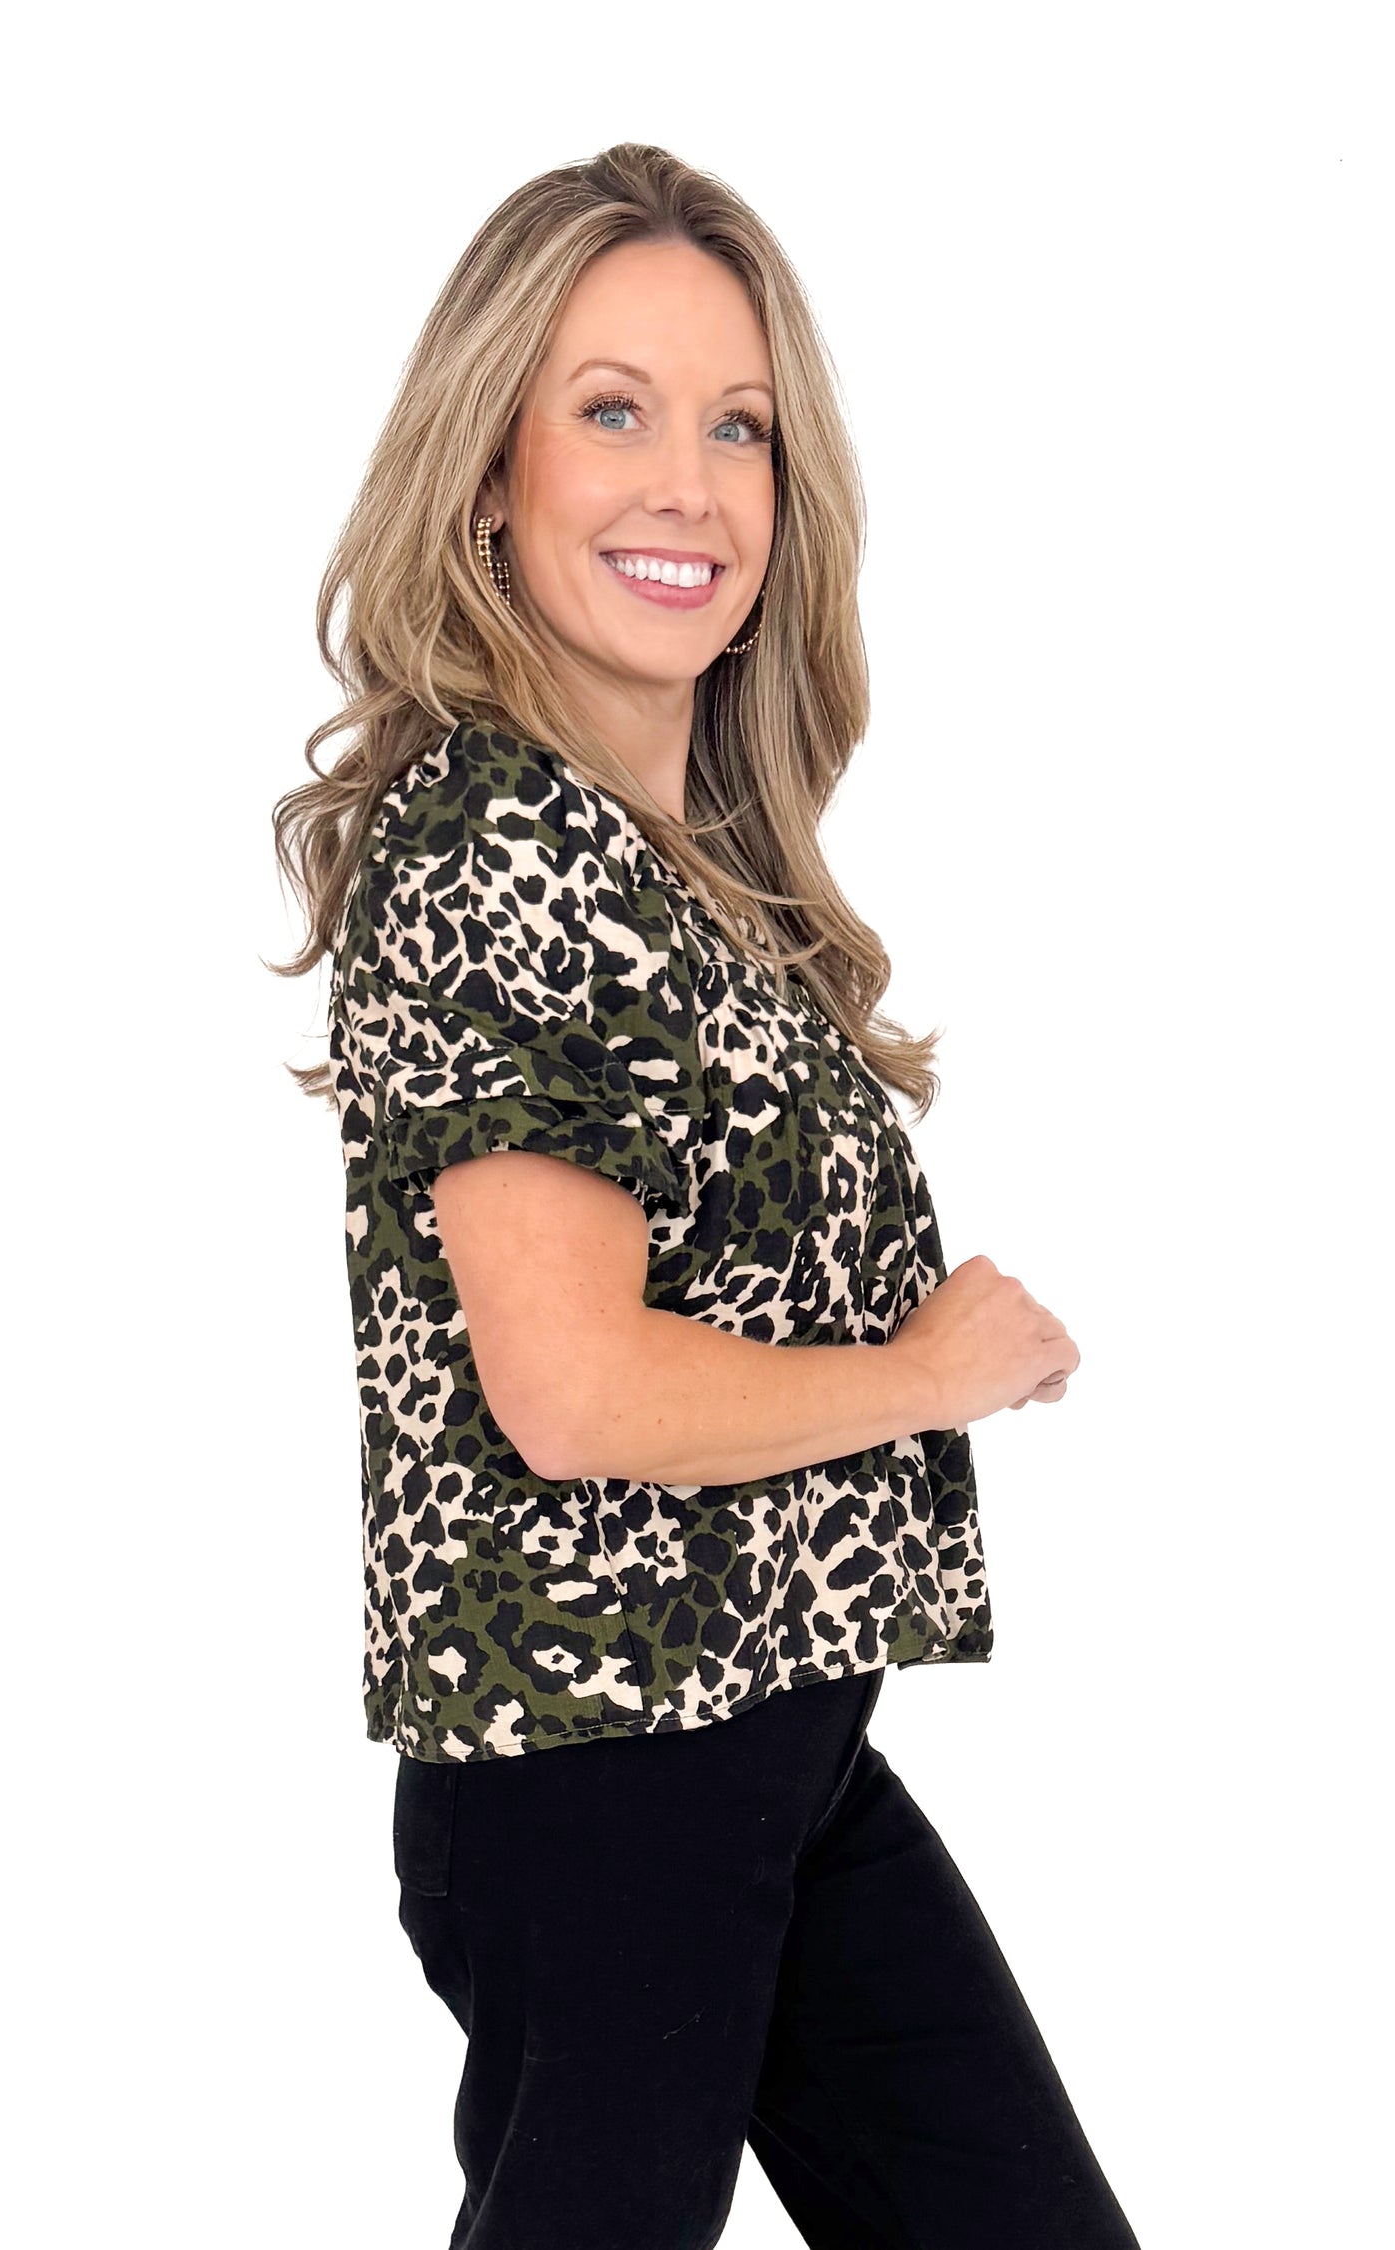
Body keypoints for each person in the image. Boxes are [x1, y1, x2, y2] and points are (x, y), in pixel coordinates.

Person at [273, 141, 1139, 2250]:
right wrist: (919, 1370)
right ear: (489, 472)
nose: (690, 482)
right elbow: (569, 1392)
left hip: (767, 1741)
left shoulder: (677, 876)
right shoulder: (498, 847)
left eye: (738, 425)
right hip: (602, 1777)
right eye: (613, 409)